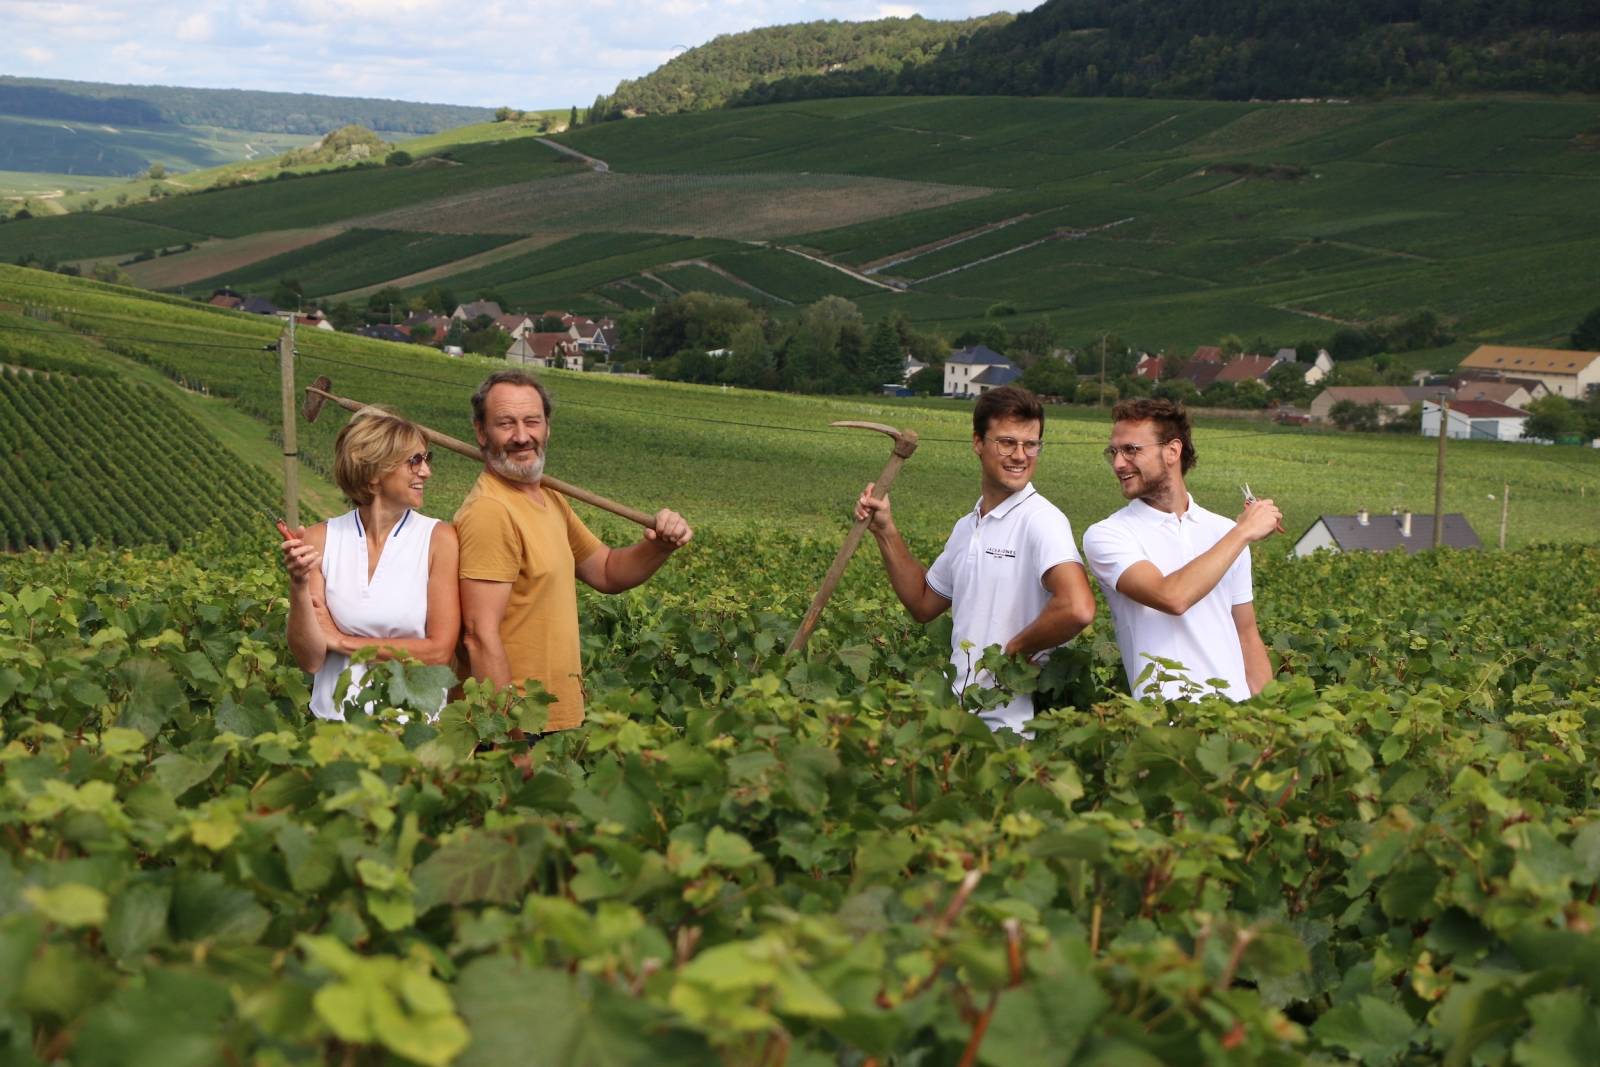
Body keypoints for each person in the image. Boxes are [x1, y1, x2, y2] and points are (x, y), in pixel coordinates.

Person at [454, 370, 693, 732]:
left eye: (531, 421)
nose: (522, 437)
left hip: (551, 719)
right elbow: (478, 636)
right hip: (516, 725)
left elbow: (608, 571)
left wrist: (659, 546)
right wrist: (508, 740)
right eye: (505, 423)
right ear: (481, 432)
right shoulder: (491, 511)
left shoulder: (547, 496)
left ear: (547, 427)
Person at [854, 385, 1096, 734]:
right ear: (978, 442)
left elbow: (1078, 607)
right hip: (962, 716)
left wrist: (1015, 648)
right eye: (1007, 442)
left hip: (1012, 729)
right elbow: (923, 604)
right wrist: (885, 530)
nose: (1020, 455)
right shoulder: (968, 527)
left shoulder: (1041, 520)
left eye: (1031, 444)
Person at [1081, 397, 1281, 702]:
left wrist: (1270, 718)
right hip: (1167, 725)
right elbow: (1171, 597)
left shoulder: (1224, 531)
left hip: (1239, 722)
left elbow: (1246, 636)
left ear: (1172, 451)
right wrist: (1242, 532)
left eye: (1131, 450)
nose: (1119, 463)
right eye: (1114, 452)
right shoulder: (1108, 535)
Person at [281, 406, 460, 720]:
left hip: (414, 728)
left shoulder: (438, 540)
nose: (426, 472)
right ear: (375, 474)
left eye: (426, 459)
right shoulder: (318, 540)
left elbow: (438, 652)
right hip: (334, 728)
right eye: (414, 461)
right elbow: (310, 659)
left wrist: (340, 640)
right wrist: (298, 587)